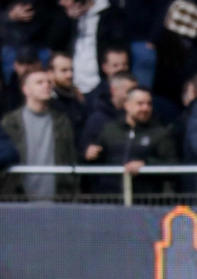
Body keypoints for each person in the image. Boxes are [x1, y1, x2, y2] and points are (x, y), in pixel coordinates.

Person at [0, 66, 78, 199]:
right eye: (39, 82)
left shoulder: (62, 121)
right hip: (18, 198)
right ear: (26, 89)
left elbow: (70, 158)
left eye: (48, 82)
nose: (46, 86)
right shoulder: (10, 122)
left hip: (58, 198)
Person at [84, 83, 175, 193]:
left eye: (149, 104)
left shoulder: (160, 134)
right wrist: (90, 155)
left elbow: (172, 166)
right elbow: (97, 163)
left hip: (145, 201)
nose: (145, 108)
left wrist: (146, 165)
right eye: (140, 104)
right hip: (110, 200)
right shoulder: (110, 130)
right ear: (127, 105)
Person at [54, 0, 121, 96]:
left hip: (99, 82)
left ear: (80, 0)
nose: (61, 3)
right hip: (73, 83)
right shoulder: (66, 17)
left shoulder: (110, 16)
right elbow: (54, 43)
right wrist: (67, 20)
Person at [79, 68, 133, 146]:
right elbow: (86, 146)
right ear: (114, 90)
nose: (134, 96)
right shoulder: (98, 120)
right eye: (129, 92)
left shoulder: (140, 116)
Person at [46, 52, 86, 138]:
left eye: (71, 70)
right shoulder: (46, 102)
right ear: (50, 74)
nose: (70, 75)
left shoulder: (76, 98)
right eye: (64, 70)